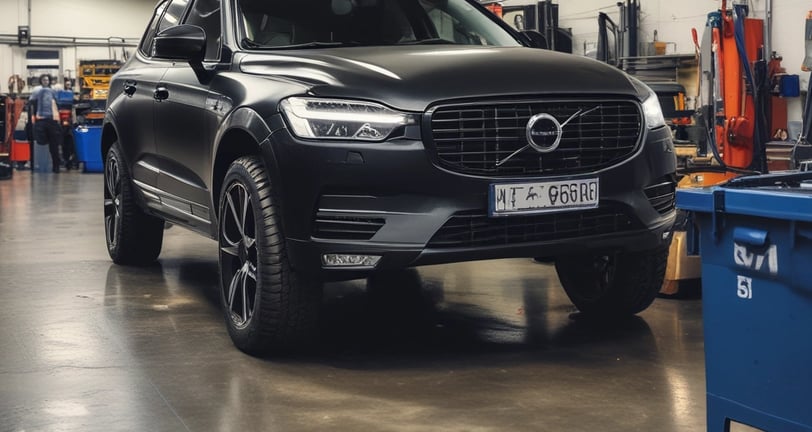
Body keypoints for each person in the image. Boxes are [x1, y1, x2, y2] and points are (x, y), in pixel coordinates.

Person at [29, 74, 63, 173]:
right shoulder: (36, 91)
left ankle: (56, 166)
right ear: (41, 81)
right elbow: (31, 104)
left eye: (47, 80)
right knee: (41, 143)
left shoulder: (53, 91)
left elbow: (58, 103)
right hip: (41, 120)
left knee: (54, 145)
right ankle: (41, 165)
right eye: (44, 80)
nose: (45, 81)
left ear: (49, 81)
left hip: (52, 120)